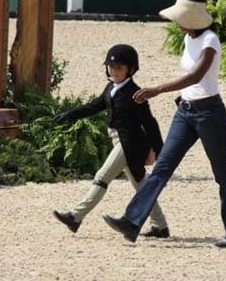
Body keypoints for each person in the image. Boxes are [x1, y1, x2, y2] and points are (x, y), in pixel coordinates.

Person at [102, 0, 226, 248]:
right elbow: (191, 81)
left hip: (209, 114)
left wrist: (158, 89)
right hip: (185, 111)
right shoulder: (187, 37)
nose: (177, 22)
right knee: (162, 168)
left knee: (222, 173)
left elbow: (196, 76)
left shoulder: (211, 40)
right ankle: (132, 221)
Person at [52, 44, 170, 238]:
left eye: (119, 68)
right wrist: (70, 115)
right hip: (117, 140)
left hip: (129, 143)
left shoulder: (135, 93)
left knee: (102, 176)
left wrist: (159, 150)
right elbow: (95, 105)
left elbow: (149, 123)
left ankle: (75, 216)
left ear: (130, 70)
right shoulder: (111, 87)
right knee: (140, 185)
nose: (114, 71)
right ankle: (160, 225)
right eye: (111, 67)